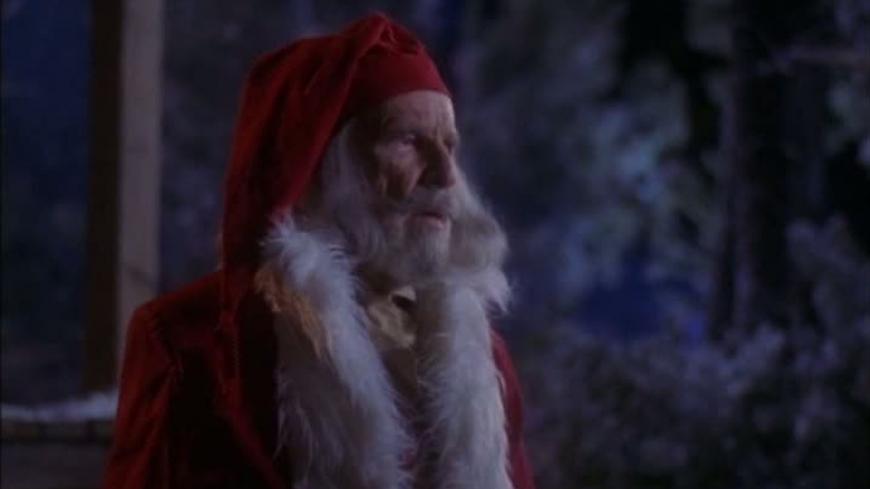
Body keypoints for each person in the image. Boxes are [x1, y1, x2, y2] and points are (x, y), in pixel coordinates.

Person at [103, 13, 536, 489]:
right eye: (408, 141)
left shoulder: (479, 355)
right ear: (325, 168)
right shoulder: (191, 343)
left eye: (449, 146)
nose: (445, 175)